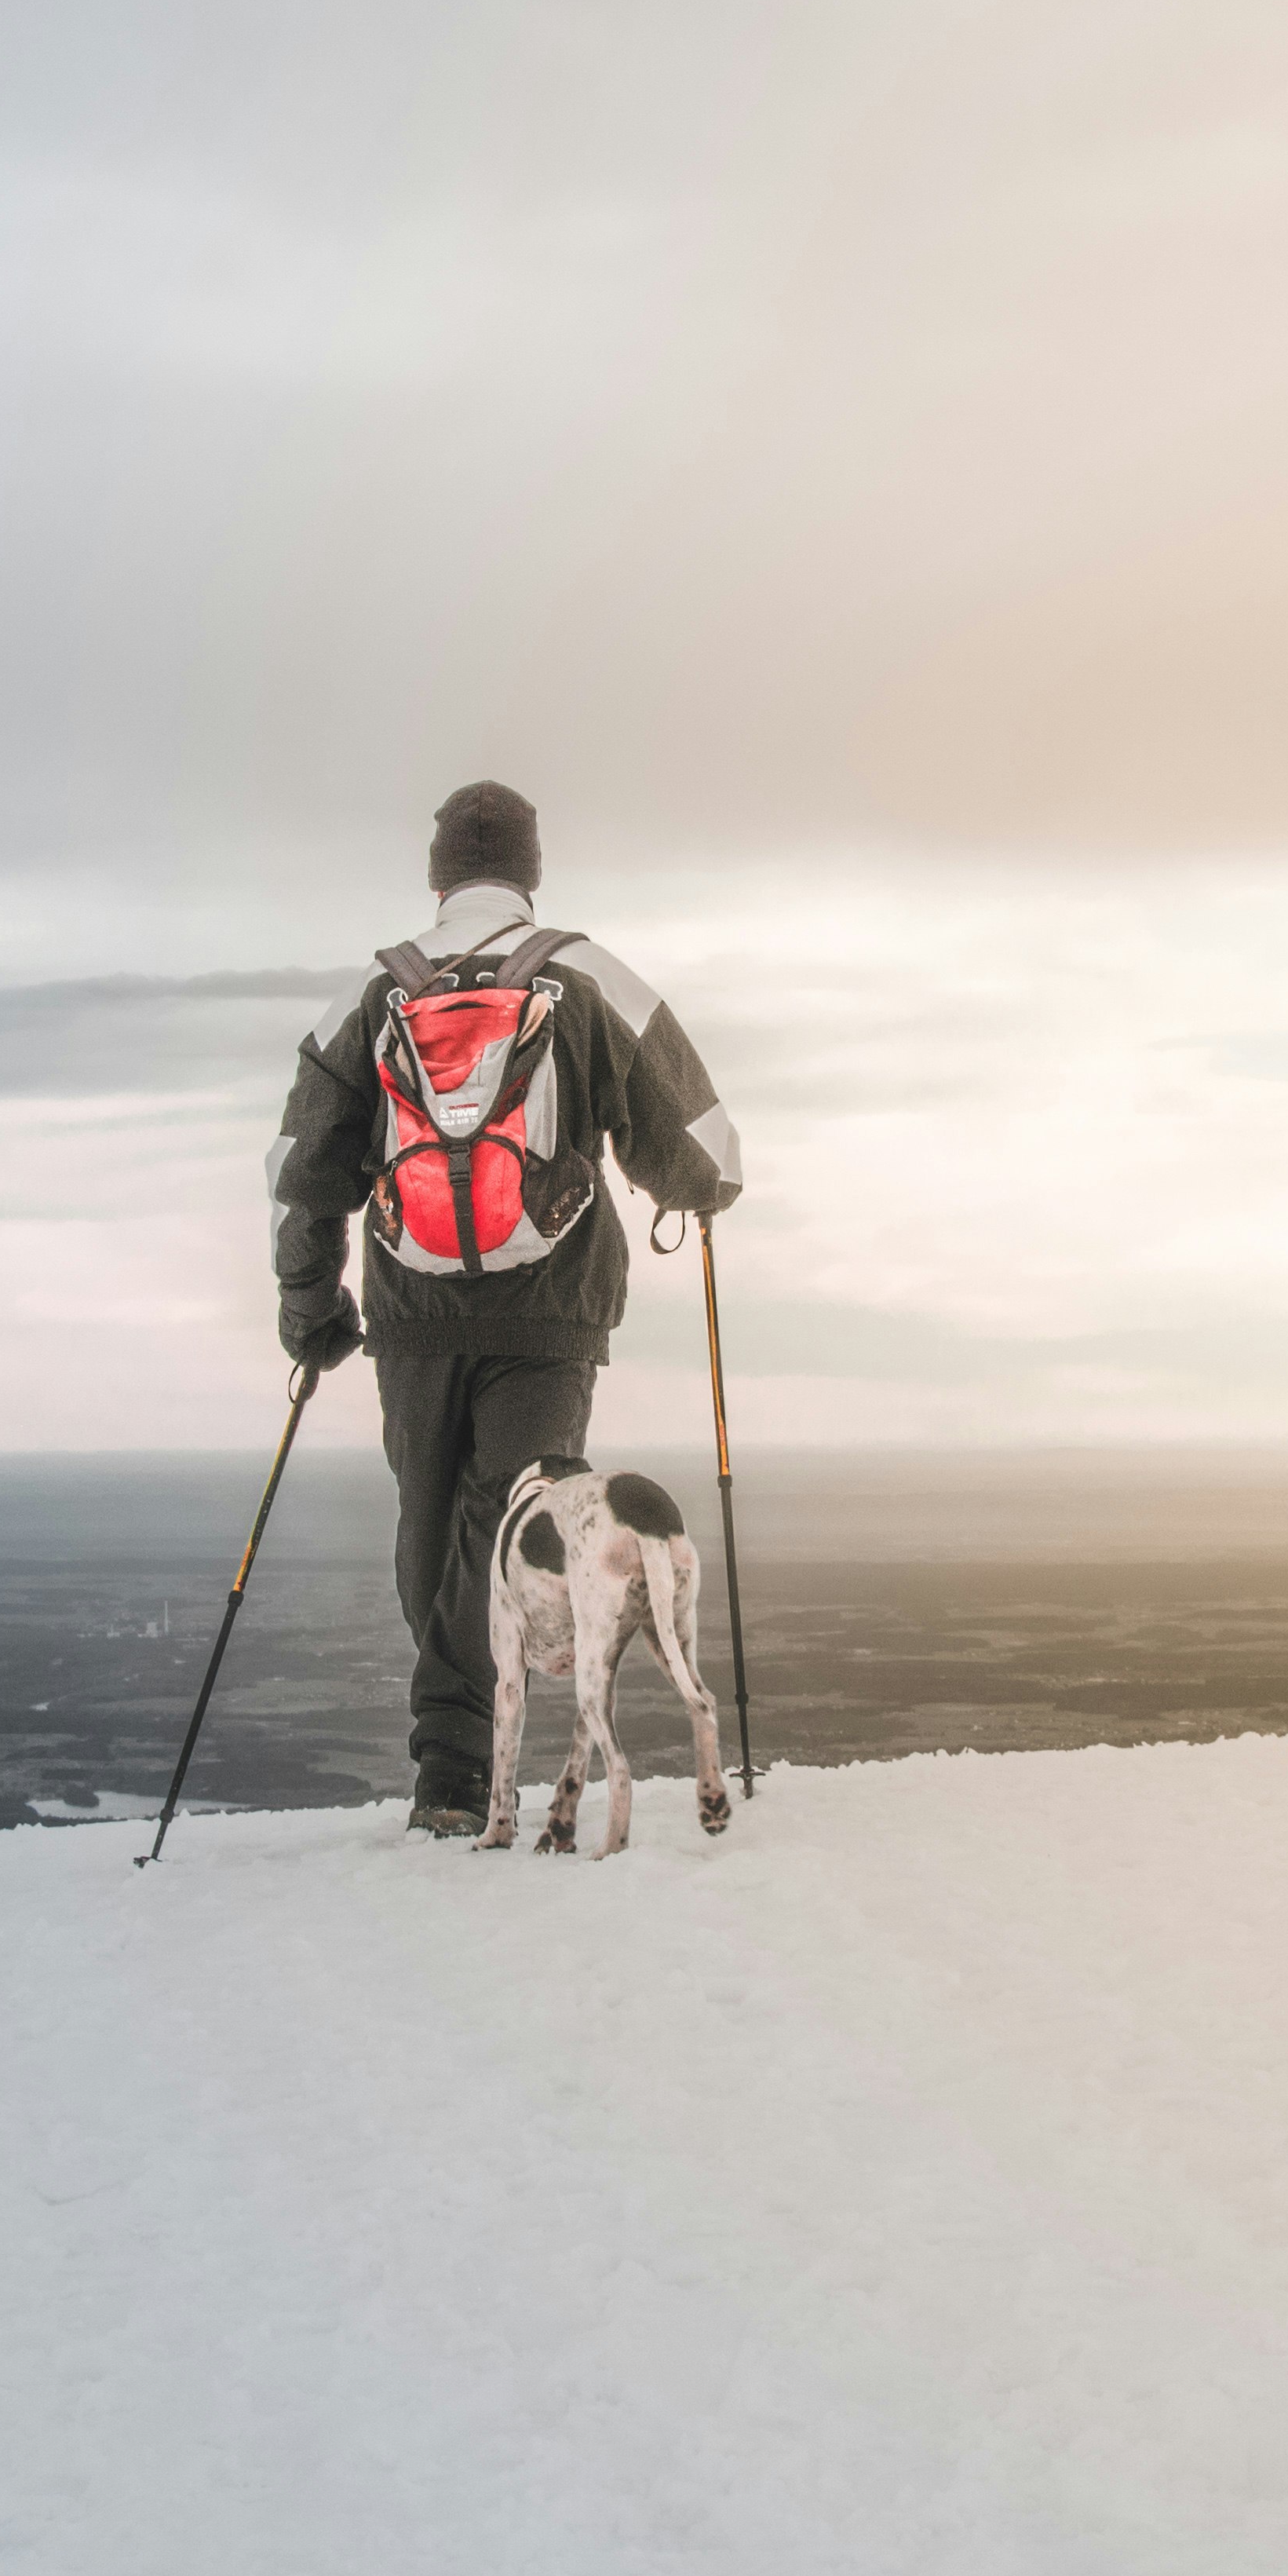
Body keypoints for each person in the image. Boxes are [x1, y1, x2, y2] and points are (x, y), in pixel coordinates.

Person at [267, 780, 742, 1834]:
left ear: (437, 876)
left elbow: (304, 1168)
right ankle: (479, 1768)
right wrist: (692, 1198)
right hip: (550, 1311)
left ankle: (447, 1769)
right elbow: (705, 1151)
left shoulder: (374, 990)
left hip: (410, 1308)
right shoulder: (582, 974)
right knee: (511, 1519)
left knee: (431, 1524)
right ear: (529, 874)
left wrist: (311, 1307)